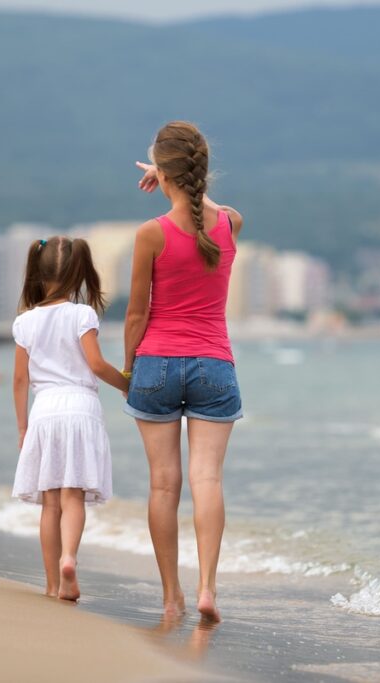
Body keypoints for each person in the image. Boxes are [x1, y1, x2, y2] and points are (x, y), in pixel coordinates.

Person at [123, 121, 243, 622]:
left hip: (156, 362)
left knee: (163, 485)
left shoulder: (151, 233)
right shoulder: (232, 223)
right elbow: (209, 210)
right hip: (215, 363)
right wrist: (170, 173)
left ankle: (171, 596)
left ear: (163, 172)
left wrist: (131, 368)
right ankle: (207, 589)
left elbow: (136, 314)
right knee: (206, 479)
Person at [11, 236, 129, 601]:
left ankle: (51, 584)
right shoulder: (82, 315)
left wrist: (22, 427)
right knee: (72, 497)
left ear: (37, 271)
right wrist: (126, 383)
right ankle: (70, 559)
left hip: (44, 411)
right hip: (80, 409)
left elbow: (19, 379)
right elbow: (95, 364)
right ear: (79, 271)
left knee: (50, 504)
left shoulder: (25, 321)